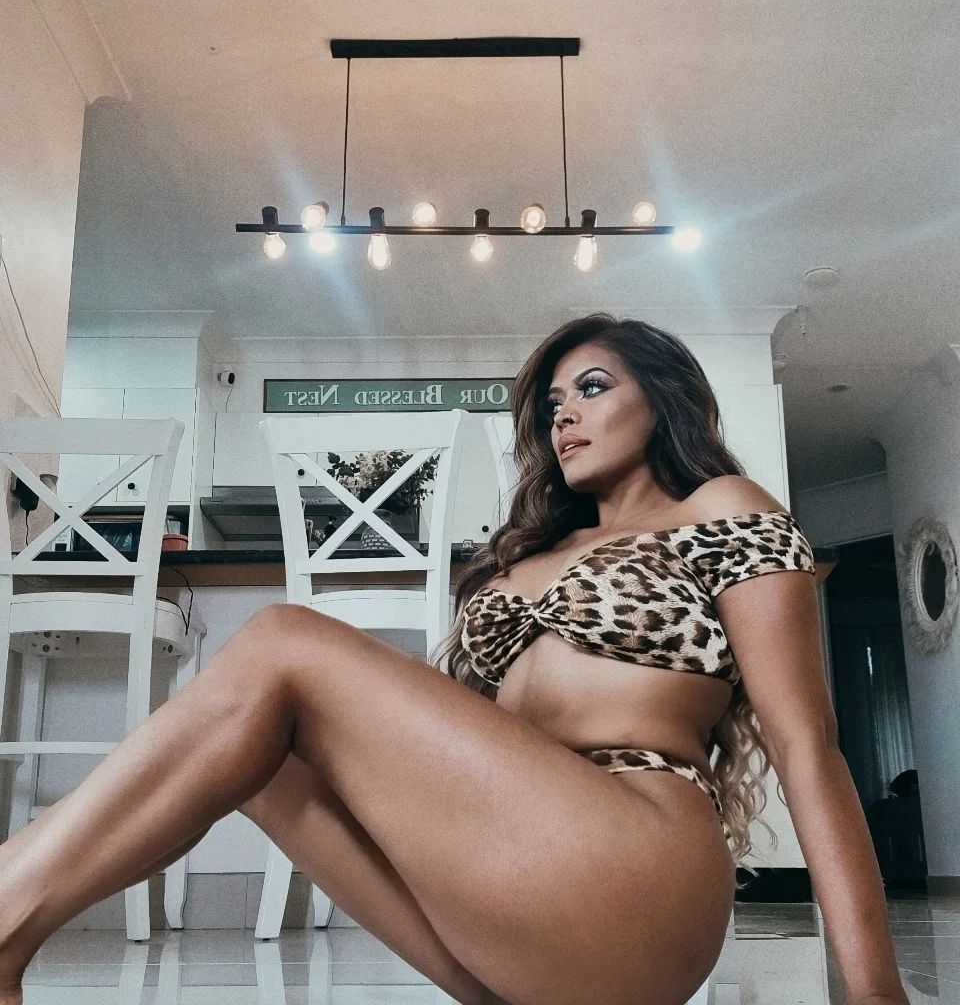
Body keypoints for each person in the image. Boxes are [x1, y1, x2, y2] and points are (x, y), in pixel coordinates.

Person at [0, 313, 907, 1005]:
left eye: (592, 388)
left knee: (282, 640)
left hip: (637, 868)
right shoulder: (525, 554)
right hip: (516, 897)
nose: (565, 415)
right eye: (552, 405)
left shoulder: (720, 507)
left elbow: (806, 745)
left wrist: (872, 990)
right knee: (257, 759)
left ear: (665, 398)